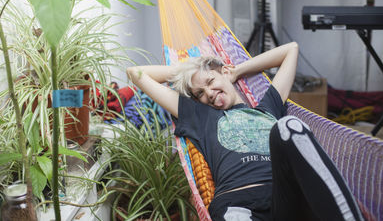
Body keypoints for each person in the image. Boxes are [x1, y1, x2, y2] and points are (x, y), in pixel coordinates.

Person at [126, 42, 364, 221]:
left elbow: (291, 49)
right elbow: (135, 73)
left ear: (223, 73)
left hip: (285, 196)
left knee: (289, 126)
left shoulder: (267, 108)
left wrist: (235, 71)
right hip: (237, 203)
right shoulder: (200, 116)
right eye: (199, 93)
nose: (207, 93)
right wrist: (188, 71)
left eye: (210, 82)